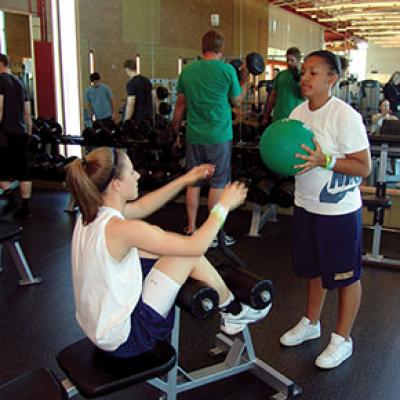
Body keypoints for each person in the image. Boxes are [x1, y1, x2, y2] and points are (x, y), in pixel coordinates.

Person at [66, 147, 271, 357]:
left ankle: (229, 306)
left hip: (98, 328)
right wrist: (223, 206)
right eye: (131, 171)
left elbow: (144, 205)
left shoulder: (91, 213)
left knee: (158, 240)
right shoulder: (122, 229)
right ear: (116, 184)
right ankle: (233, 310)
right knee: (186, 253)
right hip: (127, 338)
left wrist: (186, 179)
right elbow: (195, 246)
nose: (138, 175)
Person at [279, 50, 371, 369]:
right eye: (303, 71)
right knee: (314, 270)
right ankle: (311, 323)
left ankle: (343, 338)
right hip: (306, 205)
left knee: (345, 276)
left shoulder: (344, 116)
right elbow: (290, 155)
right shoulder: (297, 114)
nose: (304, 77)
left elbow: (364, 168)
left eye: (314, 72)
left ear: (331, 79)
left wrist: (326, 160)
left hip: (339, 212)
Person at [172, 30, 248, 247]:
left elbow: (180, 105)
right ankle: (213, 234)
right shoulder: (226, 70)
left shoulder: (187, 71)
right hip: (219, 136)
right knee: (218, 184)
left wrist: (174, 131)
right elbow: (237, 101)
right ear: (220, 49)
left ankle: (192, 228)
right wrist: (245, 81)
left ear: (202, 47)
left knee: (194, 183)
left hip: (194, 136)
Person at [0, 53, 33, 218]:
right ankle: (24, 208)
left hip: (5, 133)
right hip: (20, 133)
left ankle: (12, 199)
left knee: (2, 171)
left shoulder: (0, 81)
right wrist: (29, 132)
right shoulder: (20, 84)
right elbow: (27, 112)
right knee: (23, 171)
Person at [261, 47, 303, 125]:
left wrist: (298, 80)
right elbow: (272, 97)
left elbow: (306, 97)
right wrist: (265, 117)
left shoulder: (304, 76)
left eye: (292, 60)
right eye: (287, 60)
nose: (289, 62)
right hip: (278, 117)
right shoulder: (281, 75)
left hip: (296, 118)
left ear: (298, 60)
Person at [123, 59, 153, 125]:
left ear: (127, 69)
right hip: (149, 117)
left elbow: (131, 103)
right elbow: (152, 97)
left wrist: (126, 121)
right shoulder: (146, 80)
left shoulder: (131, 83)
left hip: (138, 119)